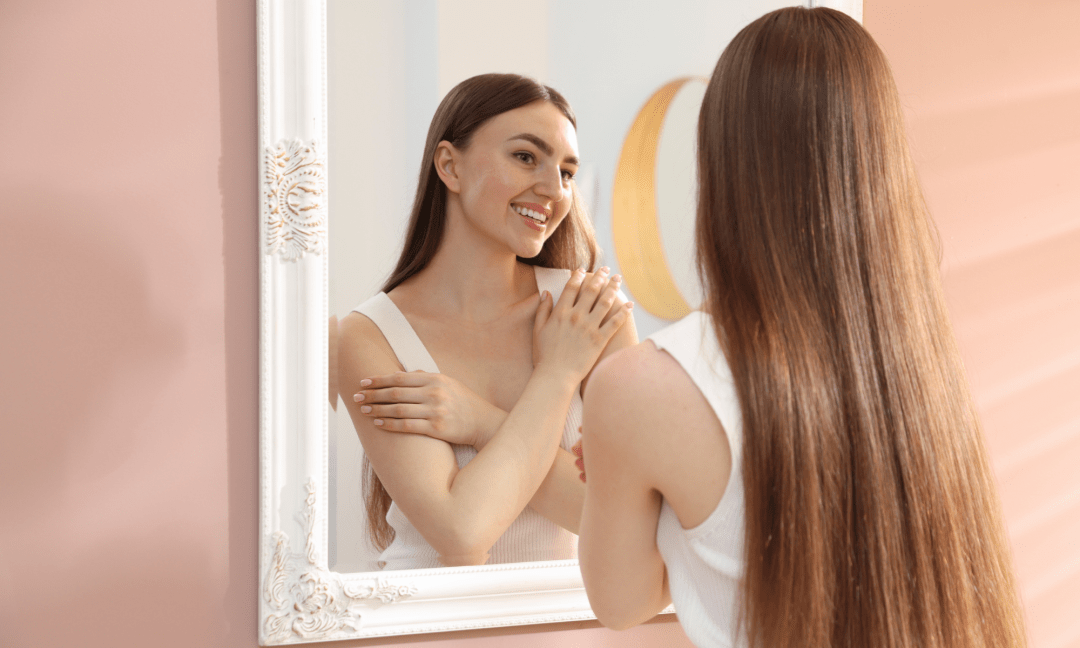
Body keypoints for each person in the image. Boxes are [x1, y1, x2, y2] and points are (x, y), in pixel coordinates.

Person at [576, 8, 1026, 648]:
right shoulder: (920, 370)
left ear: (721, 164)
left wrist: (626, 471)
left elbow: (622, 602)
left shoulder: (639, 387)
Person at [337, 74, 637, 570]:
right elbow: (461, 531)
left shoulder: (589, 313)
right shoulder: (371, 335)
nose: (552, 189)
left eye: (566, 171)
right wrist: (558, 375)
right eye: (525, 157)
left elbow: (625, 515)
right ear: (449, 166)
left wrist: (479, 421)